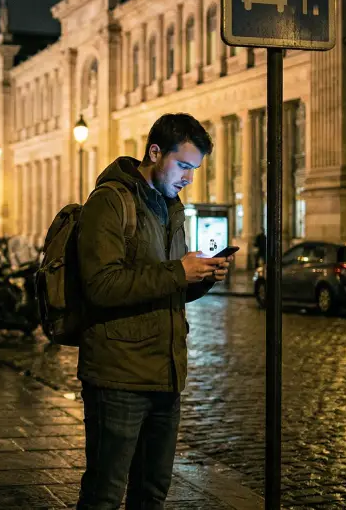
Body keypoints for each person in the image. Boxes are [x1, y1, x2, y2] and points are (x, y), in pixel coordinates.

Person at [75, 114, 233, 509]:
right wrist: (178, 271)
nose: (188, 178)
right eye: (183, 166)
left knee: (152, 493)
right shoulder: (110, 202)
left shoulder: (170, 207)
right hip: (118, 377)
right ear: (155, 152)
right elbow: (100, 287)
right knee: (104, 496)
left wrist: (202, 278)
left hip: (166, 376)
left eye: (194, 169)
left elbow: (166, 290)